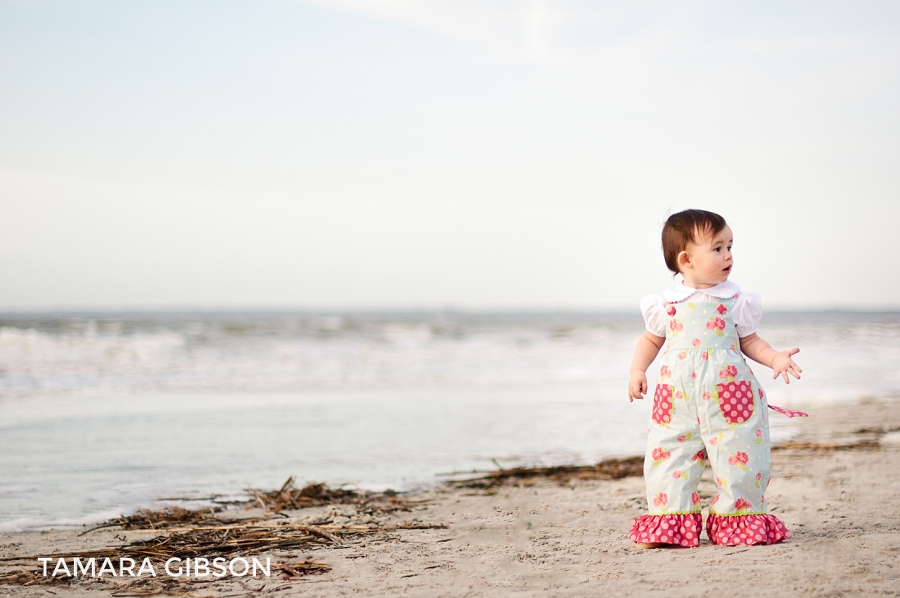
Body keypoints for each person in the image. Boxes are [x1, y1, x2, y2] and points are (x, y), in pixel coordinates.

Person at [626, 209, 807, 548]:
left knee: (739, 456)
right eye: (718, 248)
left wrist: (775, 358)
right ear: (686, 259)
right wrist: (638, 370)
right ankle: (669, 520)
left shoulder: (735, 301)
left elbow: (750, 341)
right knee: (668, 456)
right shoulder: (666, 304)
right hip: (675, 401)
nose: (729, 256)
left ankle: (739, 520)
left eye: (730, 246)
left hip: (730, 397)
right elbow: (651, 340)